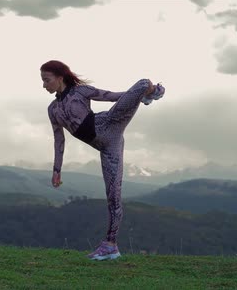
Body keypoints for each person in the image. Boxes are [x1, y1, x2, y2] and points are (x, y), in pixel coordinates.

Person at [40, 60, 165, 261]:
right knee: (113, 196)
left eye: (47, 80)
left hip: (111, 122)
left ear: (60, 78)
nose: (44, 85)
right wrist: (57, 170)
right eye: (43, 81)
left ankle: (152, 92)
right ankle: (110, 246)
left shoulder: (81, 92)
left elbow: (112, 97)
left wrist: (136, 96)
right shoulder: (52, 109)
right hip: (107, 147)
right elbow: (59, 139)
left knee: (142, 83)